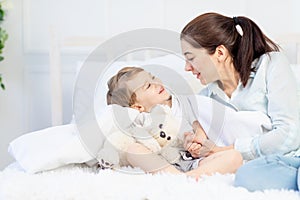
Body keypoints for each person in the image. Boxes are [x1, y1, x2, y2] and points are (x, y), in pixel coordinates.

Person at [180, 12, 300, 190]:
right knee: (247, 176)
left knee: (248, 175)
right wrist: (194, 140)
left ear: (220, 53)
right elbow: (199, 139)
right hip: (260, 167)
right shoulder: (206, 98)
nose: (186, 68)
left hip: (294, 156)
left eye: (191, 58)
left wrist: (229, 150)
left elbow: (289, 134)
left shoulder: (271, 65)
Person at [106, 66, 273, 178]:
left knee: (235, 157)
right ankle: (172, 175)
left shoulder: (185, 102)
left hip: (194, 162)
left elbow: (198, 123)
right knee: (133, 149)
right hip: (166, 162)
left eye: (153, 77)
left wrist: (197, 139)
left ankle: (189, 178)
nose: (156, 83)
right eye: (148, 86)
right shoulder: (140, 119)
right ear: (138, 106)